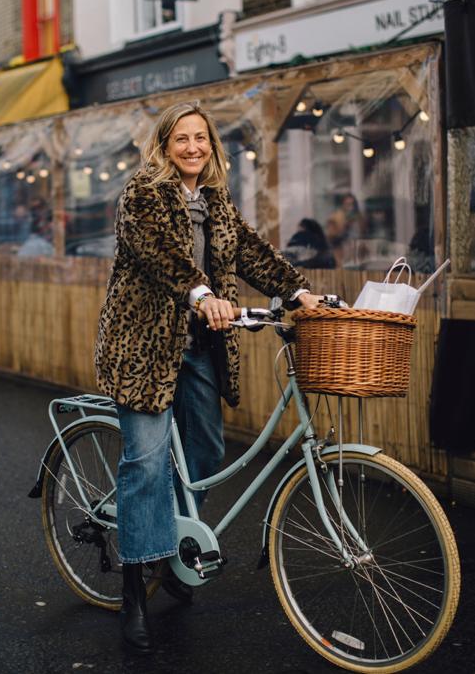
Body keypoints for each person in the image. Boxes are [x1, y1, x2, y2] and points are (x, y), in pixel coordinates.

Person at [94, 101, 327, 654]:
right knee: (146, 463)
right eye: (182, 139)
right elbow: (161, 255)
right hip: (144, 345)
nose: (193, 147)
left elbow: (251, 252)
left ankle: (169, 546)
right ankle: (134, 587)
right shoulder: (143, 193)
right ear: (164, 145)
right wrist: (201, 294)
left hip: (200, 347)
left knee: (204, 452)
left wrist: (298, 291)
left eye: (201, 138)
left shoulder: (216, 200)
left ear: (212, 146)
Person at [326, 192, 366, 267]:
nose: (350, 207)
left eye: (352, 204)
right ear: (343, 204)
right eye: (347, 204)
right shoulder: (336, 216)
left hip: (356, 251)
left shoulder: (358, 217)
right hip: (341, 250)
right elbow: (331, 236)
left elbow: (363, 232)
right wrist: (345, 225)